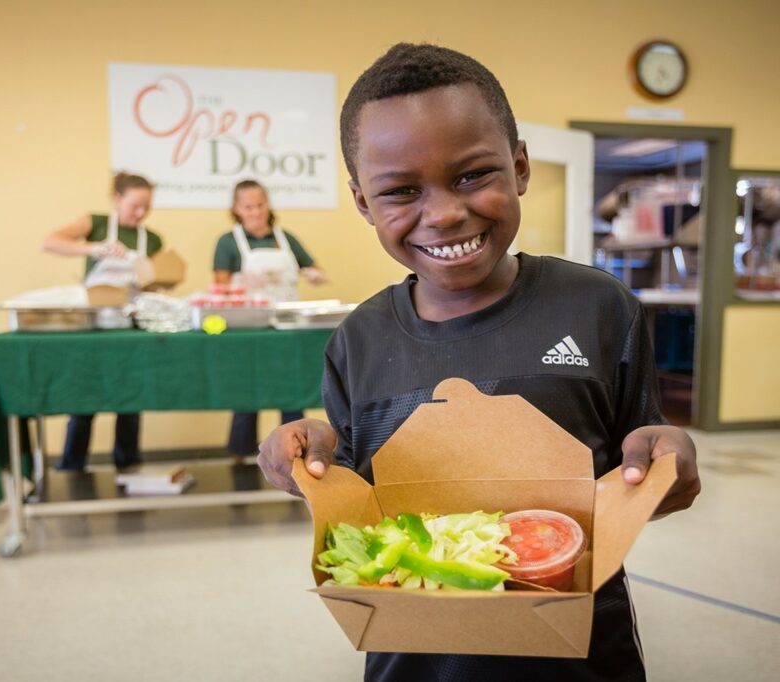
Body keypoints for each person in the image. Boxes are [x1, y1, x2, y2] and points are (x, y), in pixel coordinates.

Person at [256, 44, 701, 681]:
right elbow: (359, 500)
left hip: (582, 657)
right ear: (363, 203)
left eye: (471, 176)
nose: (443, 213)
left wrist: (664, 464)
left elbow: (641, 462)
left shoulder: (599, 308)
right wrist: (313, 457)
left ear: (519, 166)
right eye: (401, 191)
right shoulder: (357, 340)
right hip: (414, 660)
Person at [41, 171, 163, 471]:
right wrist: (94, 248)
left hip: (129, 327)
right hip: (92, 327)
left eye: (146, 207)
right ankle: (72, 465)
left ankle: (128, 463)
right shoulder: (94, 223)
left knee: (130, 398)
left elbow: (152, 281)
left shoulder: (152, 239)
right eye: (135, 205)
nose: (141, 213)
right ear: (117, 198)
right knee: (84, 397)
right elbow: (50, 242)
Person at [212, 179, 327, 459]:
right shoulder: (228, 242)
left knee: (291, 389)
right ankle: (241, 454)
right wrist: (242, 282)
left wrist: (314, 274)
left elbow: (314, 268)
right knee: (247, 389)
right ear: (236, 209)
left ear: (268, 205)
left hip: (287, 327)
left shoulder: (286, 239)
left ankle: (294, 454)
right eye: (248, 207)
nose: (255, 212)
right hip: (249, 329)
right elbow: (219, 287)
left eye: (260, 205)